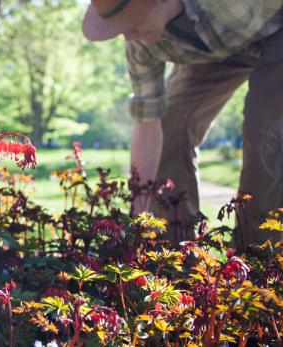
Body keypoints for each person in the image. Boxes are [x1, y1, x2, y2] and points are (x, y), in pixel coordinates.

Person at [82, 0, 283, 246]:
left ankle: (257, 261)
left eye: (131, 21)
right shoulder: (140, 45)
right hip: (220, 43)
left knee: (265, 133)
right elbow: (148, 125)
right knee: (172, 124)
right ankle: (176, 254)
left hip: (275, 24)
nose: (127, 35)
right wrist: (136, 221)